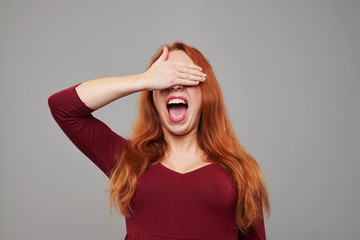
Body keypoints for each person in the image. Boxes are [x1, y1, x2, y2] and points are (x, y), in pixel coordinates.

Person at [48, 41, 270, 240]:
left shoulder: (240, 170)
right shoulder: (129, 161)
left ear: (206, 94)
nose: (175, 84)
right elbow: (63, 108)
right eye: (166, 78)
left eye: (185, 76)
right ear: (152, 96)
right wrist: (143, 79)